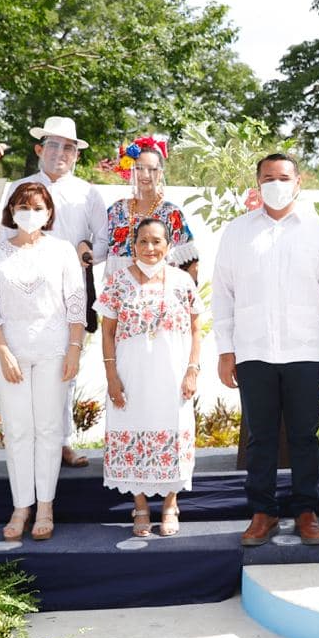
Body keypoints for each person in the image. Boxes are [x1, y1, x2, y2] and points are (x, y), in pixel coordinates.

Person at [214, 153, 319, 548]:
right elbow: (223, 295)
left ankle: (306, 511)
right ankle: (263, 512)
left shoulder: (317, 231)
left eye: (283, 176)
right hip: (253, 350)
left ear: (298, 181)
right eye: (268, 177)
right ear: (257, 184)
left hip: (306, 350)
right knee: (261, 436)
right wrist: (225, 350)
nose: (276, 183)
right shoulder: (238, 233)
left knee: (305, 435)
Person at [0, 182, 87, 541]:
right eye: (23, 206)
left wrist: (74, 348)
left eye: (38, 207)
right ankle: (21, 506)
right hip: (9, 353)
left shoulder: (62, 250)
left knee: (49, 429)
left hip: (54, 350)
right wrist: (4, 350)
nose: (30, 213)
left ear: (49, 212)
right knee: (18, 430)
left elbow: (75, 302)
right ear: (11, 210)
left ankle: (45, 506)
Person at [2, 115, 108, 467]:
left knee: (66, 363)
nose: (60, 153)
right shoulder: (18, 188)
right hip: (24, 291)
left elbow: (104, 241)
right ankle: (29, 443)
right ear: (38, 149)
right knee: (23, 363)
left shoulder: (89, 193)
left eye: (68, 147)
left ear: (76, 155)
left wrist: (86, 254)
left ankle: (62, 441)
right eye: (53, 145)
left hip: (71, 290)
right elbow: (4, 238)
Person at [95, 217, 204, 537]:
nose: (150, 247)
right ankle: (140, 505)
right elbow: (107, 331)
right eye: (143, 241)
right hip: (132, 375)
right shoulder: (117, 281)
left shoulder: (183, 281)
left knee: (173, 427)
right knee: (132, 427)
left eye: (157, 241)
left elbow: (197, 329)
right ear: (133, 246)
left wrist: (193, 370)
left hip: (172, 376)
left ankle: (170, 504)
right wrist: (111, 376)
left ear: (168, 245)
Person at [104, 138, 198, 280]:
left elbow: (190, 265)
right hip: (119, 295)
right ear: (131, 171)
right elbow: (98, 249)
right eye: (139, 168)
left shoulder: (171, 213)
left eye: (152, 169)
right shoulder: (116, 211)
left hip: (160, 294)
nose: (145, 175)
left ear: (160, 174)